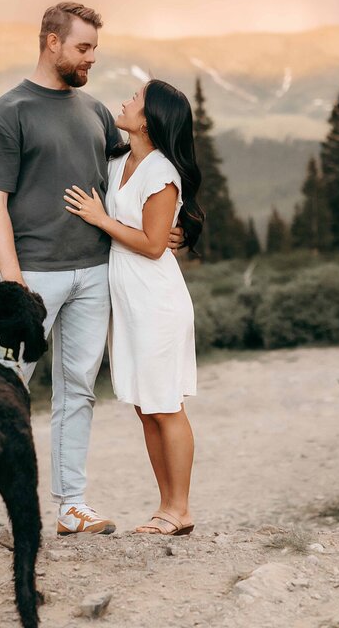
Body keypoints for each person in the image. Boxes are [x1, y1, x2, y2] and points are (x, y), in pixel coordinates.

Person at [0, 2, 182, 548]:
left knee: (78, 391)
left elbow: (138, 176)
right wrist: (11, 277)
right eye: (83, 48)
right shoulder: (8, 112)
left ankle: (71, 505)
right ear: (52, 43)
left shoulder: (94, 112)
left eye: (94, 49)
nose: (91, 58)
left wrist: (179, 227)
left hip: (94, 274)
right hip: (32, 277)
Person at [63, 79, 202, 536]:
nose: (126, 100)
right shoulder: (119, 160)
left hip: (156, 300)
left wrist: (101, 220)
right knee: (146, 407)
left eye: (136, 98)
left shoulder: (162, 172)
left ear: (148, 119)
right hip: (128, 300)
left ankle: (180, 509)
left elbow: (154, 244)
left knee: (165, 405)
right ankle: (165, 506)